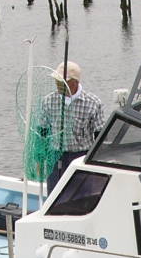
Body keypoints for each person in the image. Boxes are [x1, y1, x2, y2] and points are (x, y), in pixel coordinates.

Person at [39, 61, 105, 194]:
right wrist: (40, 158)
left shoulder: (93, 103)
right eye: (56, 80)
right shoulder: (48, 101)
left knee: (83, 199)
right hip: (55, 156)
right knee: (55, 197)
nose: (57, 84)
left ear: (74, 83)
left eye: (61, 81)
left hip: (81, 157)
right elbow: (43, 131)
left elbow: (100, 135)